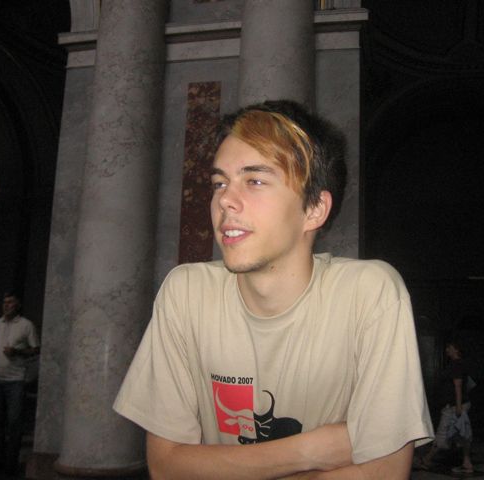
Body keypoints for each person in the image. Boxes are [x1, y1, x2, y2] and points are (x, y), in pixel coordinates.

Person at [114, 100, 433, 479]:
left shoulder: (369, 295)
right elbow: (166, 467)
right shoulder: (186, 293)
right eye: (219, 183)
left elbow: (385, 472)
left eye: (255, 180)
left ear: (314, 209)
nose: (224, 200)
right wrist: (310, 450)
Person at [0, 291, 40, 474]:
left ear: (18, 305)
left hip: (15, 380)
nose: (6, 305)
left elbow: (35, 350)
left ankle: (11, 463)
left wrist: (17, 352)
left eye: (10, 302)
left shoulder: (26, 325)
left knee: (14, 422)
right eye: (4, 302)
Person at [417, 340, 473, 475]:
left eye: (450, 347)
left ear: (456, 350)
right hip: (458, 405)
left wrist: (458, 406)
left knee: (445, 433)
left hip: (454, 406)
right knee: (463, 433)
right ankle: (466, 462)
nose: (447, 350)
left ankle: (427, 460)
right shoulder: (460, 364)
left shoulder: (456, 365)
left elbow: (458, 385)